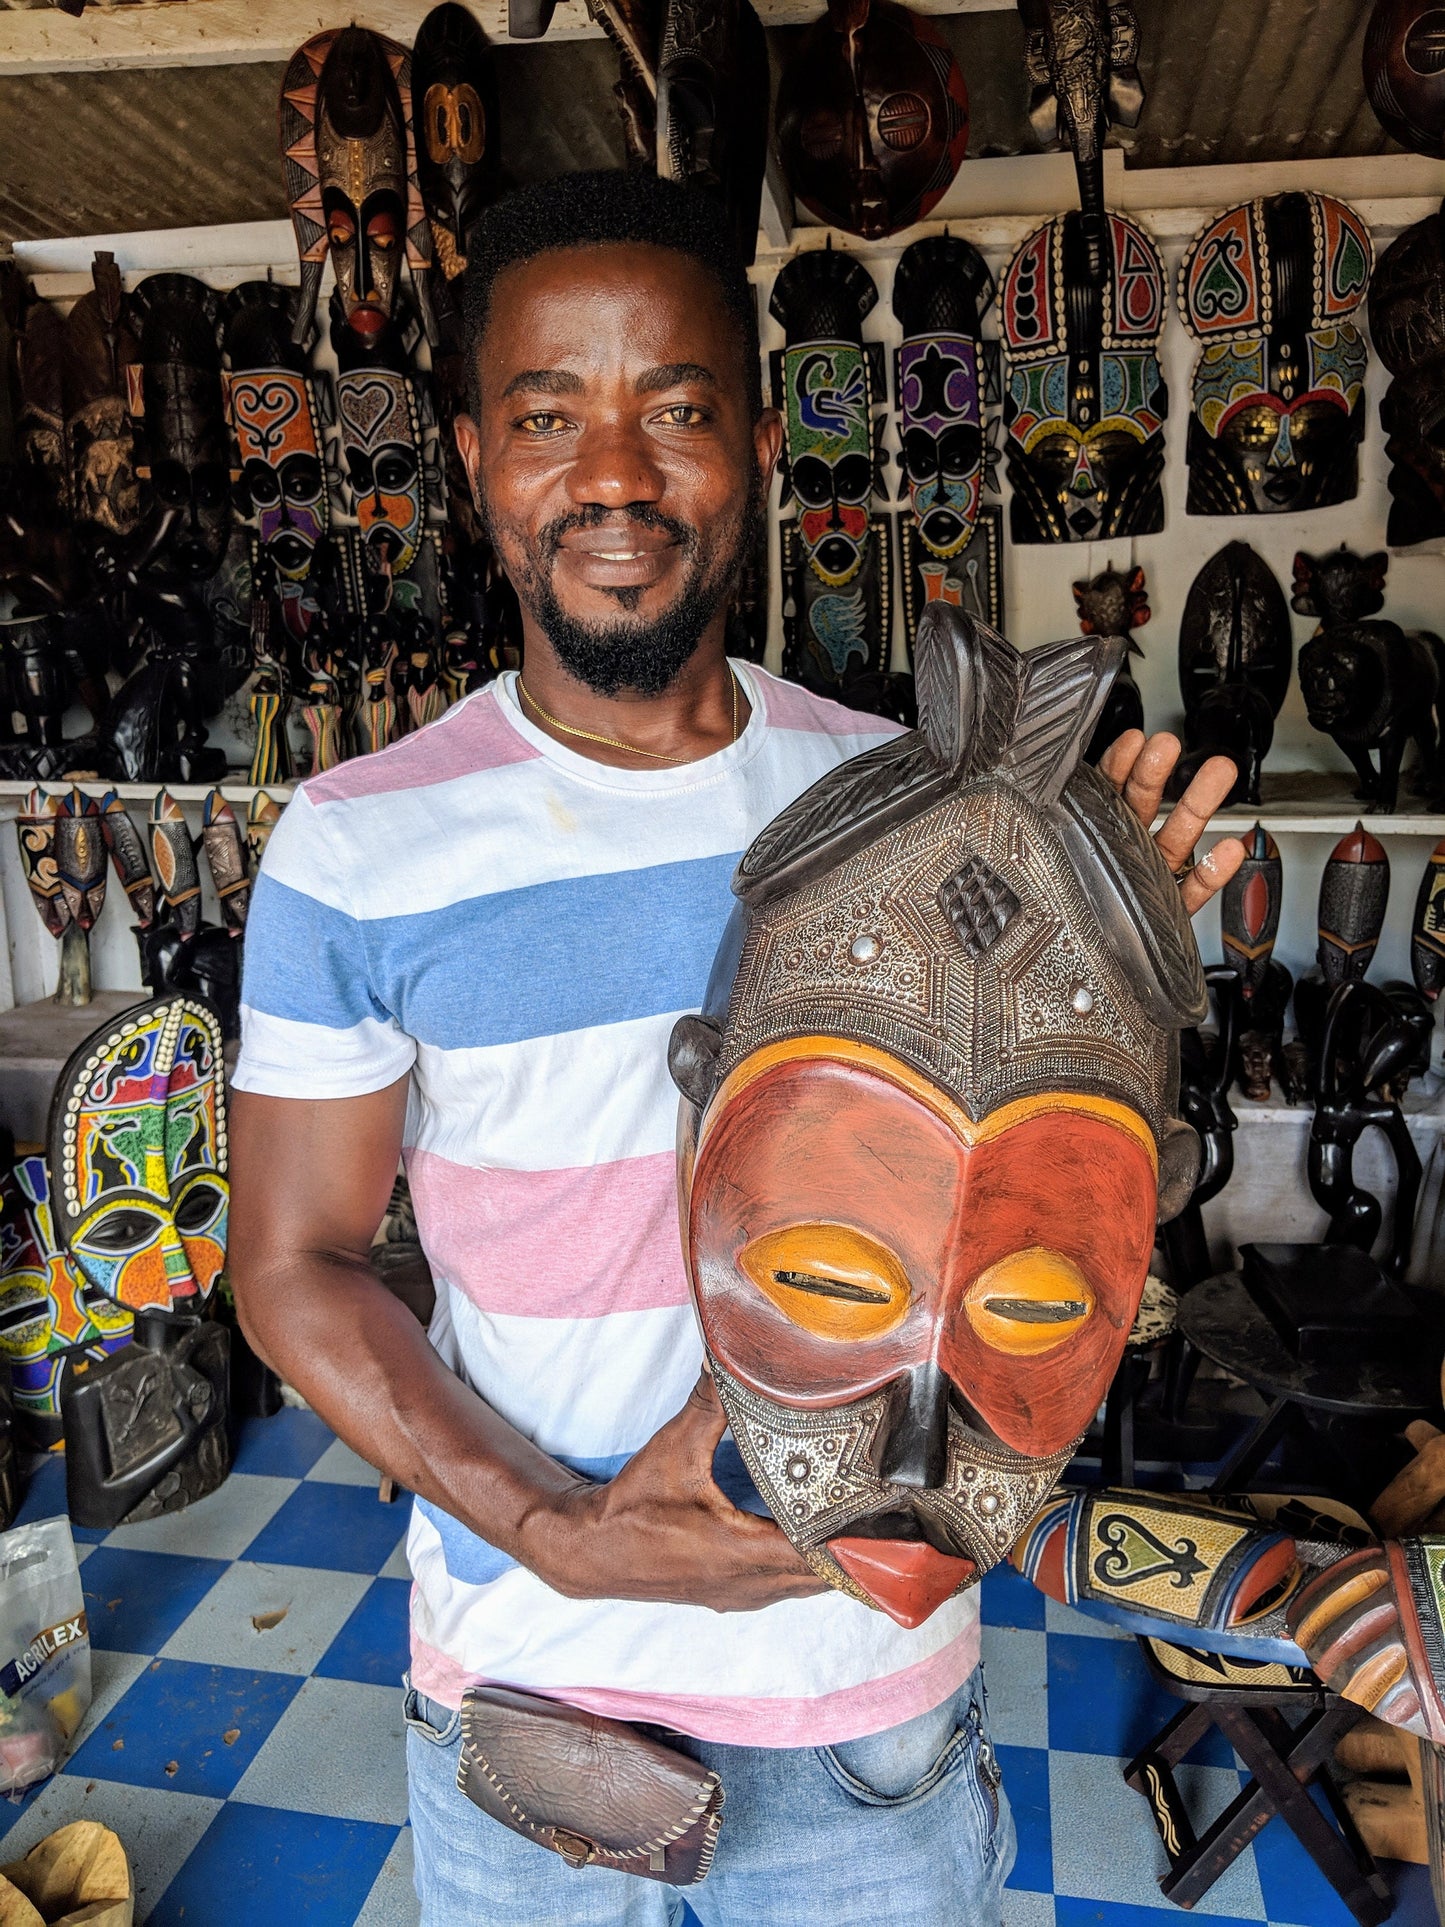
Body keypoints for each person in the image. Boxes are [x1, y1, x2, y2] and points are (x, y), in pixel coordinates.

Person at [230, 169, 1246, 1926]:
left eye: (678, 411)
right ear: (472, 456)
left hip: (863, 1710)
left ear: (763, 448)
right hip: (527, 1696)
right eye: (548, 416)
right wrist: (551, 1529)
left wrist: (1113, 992)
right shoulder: (355, 844)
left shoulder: (912, 801)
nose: (614, 475)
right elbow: (292, 1267)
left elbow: (1046, 1213)